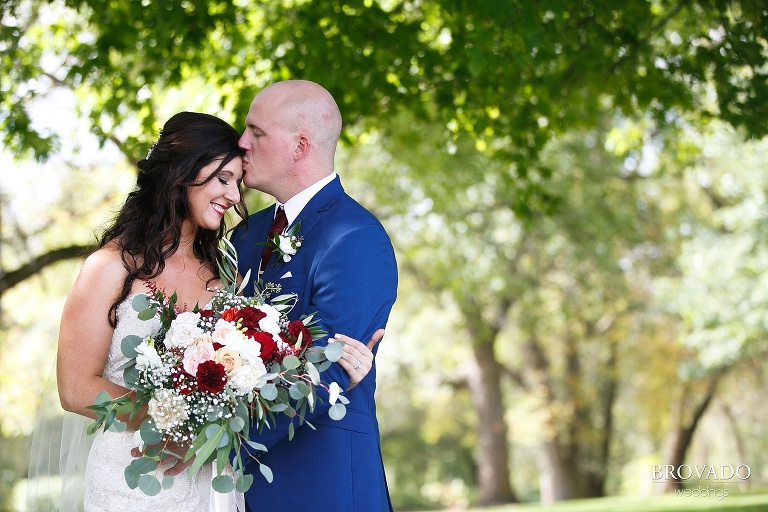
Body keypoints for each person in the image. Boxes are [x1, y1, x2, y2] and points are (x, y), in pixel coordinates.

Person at [36, 111, 378, 511]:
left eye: (237, 181)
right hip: (135, 475)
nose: (235, 196)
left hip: (213, 481)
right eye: (223, 179)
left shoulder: (227, 270)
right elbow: (75, 387)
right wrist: (171, 425)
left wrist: (335, 377)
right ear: (182, 174)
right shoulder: (110, 267)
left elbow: (259, 366)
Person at [232, 80, 398, 512]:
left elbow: (325, 372)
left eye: (256, 132)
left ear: (300, 145)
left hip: (321, 485)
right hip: (238, 489)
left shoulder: (354, 237)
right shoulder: (244, 235)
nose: (241, 143)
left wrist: (215, 437)